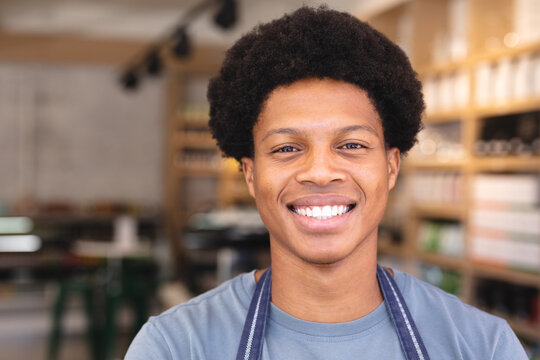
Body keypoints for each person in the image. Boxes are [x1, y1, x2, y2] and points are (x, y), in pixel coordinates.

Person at [125, 6, 528, 360]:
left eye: (351, 144)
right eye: (286, 149)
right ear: (250, 174)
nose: (320, 172)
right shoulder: (175, 347)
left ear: (391, 167)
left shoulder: (483, 347)